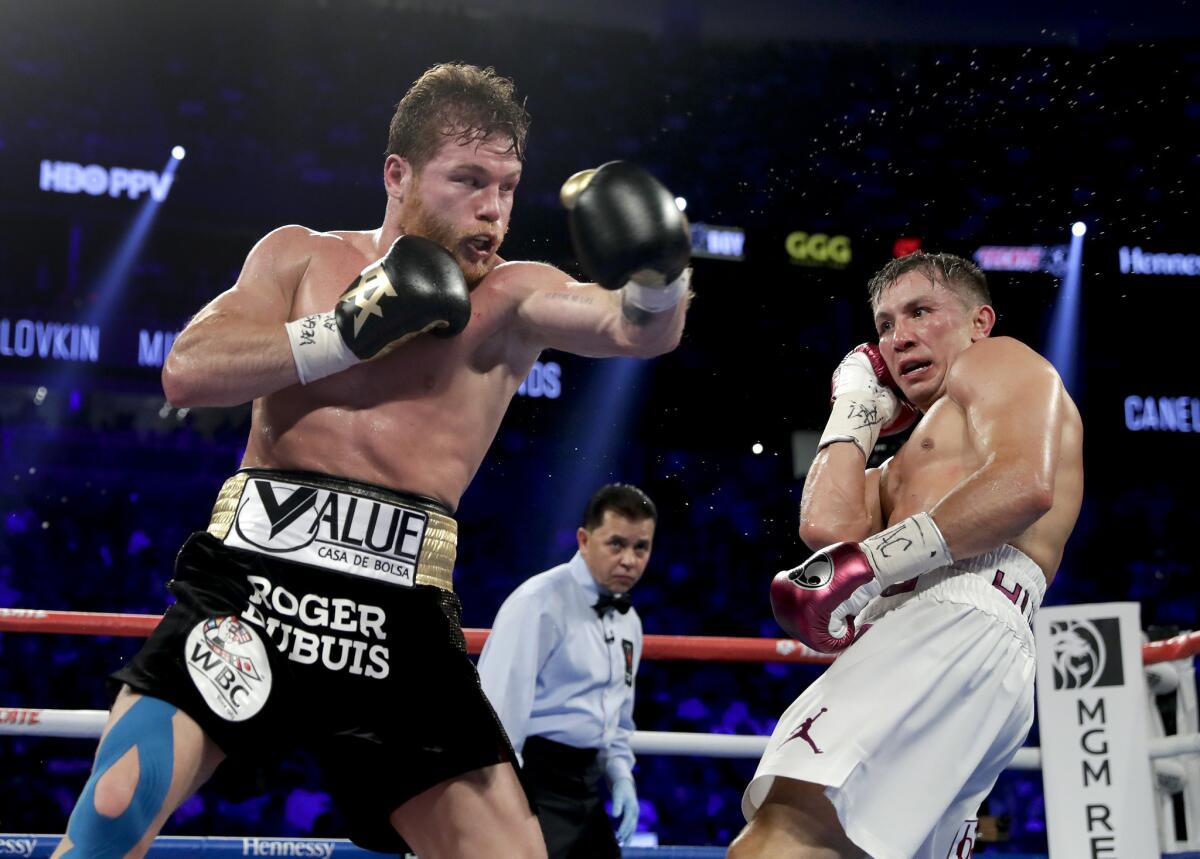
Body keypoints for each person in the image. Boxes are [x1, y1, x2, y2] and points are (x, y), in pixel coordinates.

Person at [54, 62, 692, 859]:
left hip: (399, 619)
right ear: (398, 174)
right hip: (253, 586)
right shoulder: (299, 257)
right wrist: (344, 333)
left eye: (507, 185)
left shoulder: (515, 297)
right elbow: (187, 368)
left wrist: (660, 277)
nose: (493, 209)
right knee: (110, 818)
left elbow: (639, 331)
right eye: (468, 180)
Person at [730, 252, 1084, 859]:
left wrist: (873, 565)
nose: (900, 338)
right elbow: (827, 528)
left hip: (957, 617)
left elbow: (1025, 484)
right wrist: (856, 405)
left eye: (922, 312)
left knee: (780, 838)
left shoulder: (997, 361)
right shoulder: (903, 465)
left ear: (980, 321)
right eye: (886, 325)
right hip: (942, 634)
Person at [478, 483, 657, 858]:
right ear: (583, 539)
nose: (629, 559)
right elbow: (498, 711)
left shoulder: (630, 623)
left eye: (640, 547)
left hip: (589, 788)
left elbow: (618, 718)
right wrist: (504, 805)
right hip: (534, 781)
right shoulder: (538, 603)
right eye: (616, 544)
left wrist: (622, 776)